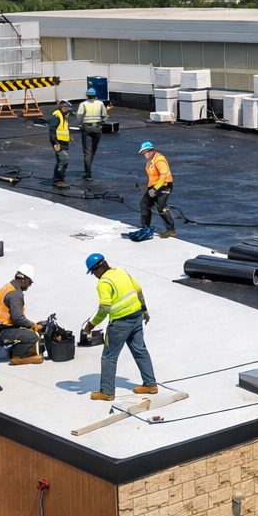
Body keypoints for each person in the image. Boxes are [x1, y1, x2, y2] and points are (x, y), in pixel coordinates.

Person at [82, 252, 157, 401]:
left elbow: (104, 308)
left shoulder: (103, 283)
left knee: (109, 357)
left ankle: (107, 392)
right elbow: (138, 290)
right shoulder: (121, 271)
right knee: (140, 350)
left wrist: (91, 325)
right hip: (136, 315)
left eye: (92, 272)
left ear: (98, 269)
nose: (93, 275)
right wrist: (144, 310)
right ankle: (150, 384)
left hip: (120, 323)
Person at [0, 264, 44, 365]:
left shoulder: (9, 286)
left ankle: (5, 343)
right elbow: (18, 318)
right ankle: (18, 357)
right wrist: (33, 326)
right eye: (29, 283)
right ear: (23, 280)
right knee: (33, 337)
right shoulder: (15, 295)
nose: (29, 286)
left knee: (25, 330)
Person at [138, 141, 175, 237]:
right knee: (144, 205)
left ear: (151, 151)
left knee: (161, 207)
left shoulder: (159, 160)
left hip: (164, 186)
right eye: (143, 153)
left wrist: (154, 189)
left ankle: (171, 230)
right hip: (153, 186)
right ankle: (145, 228)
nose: (145, 155)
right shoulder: (151, 161)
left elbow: (163, 178)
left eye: (145, 152)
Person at [78, 87, 110, 180]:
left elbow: (79, 116)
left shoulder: (83, 104)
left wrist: (80, 124)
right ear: (95, 95)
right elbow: (104, 115)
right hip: (97, 128)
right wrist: (102, 122)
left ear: (87, 95)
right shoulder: (100, 103)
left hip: (87, 128)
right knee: (93, 150)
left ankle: (88, 172)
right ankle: (89, 165)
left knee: (87, 151)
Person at [49, 100, 73, 189]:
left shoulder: (63, 115)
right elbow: (52, 130)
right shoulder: (56, 116)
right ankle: (57, 180)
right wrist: (55, 143)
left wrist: (69, 137)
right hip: (58, 143)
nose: (68, 109)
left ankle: (60, 178)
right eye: (67, 108)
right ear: (62, 107)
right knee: (63, 160)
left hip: (63, 142)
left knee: (62, 161)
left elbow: (62, 128)